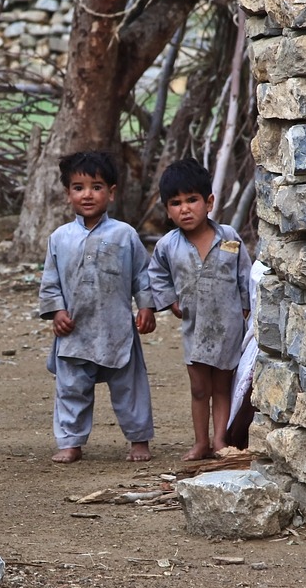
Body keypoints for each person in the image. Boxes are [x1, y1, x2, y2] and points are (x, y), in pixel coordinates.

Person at [38, 150, 157, 464]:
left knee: (130, 388)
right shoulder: (59, 238)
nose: (87, 194)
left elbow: (141, 275)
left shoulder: (124, 235)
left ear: (112, 192)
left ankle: (139, 441)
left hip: (117, 328)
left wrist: (145, 307)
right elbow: (50, 280)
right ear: (68, 194)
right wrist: (56, 312)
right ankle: (70, 443)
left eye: (96, 186)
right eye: (78, 187)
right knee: (71, 389)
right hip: (75, 331)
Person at [148, 158, 252, 460]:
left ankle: (220, 440)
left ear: (209, 202)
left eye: (192, 200)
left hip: (230, 326)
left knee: (222, 386)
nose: (185, 208)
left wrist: (247, 306)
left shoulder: (229, 238)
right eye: (176, 203)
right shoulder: (168, 245)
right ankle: (200, 442)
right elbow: (157, 274)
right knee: (198, 388)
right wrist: (170, 301)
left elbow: (244, 274)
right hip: (194, 328)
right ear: (167, 210)